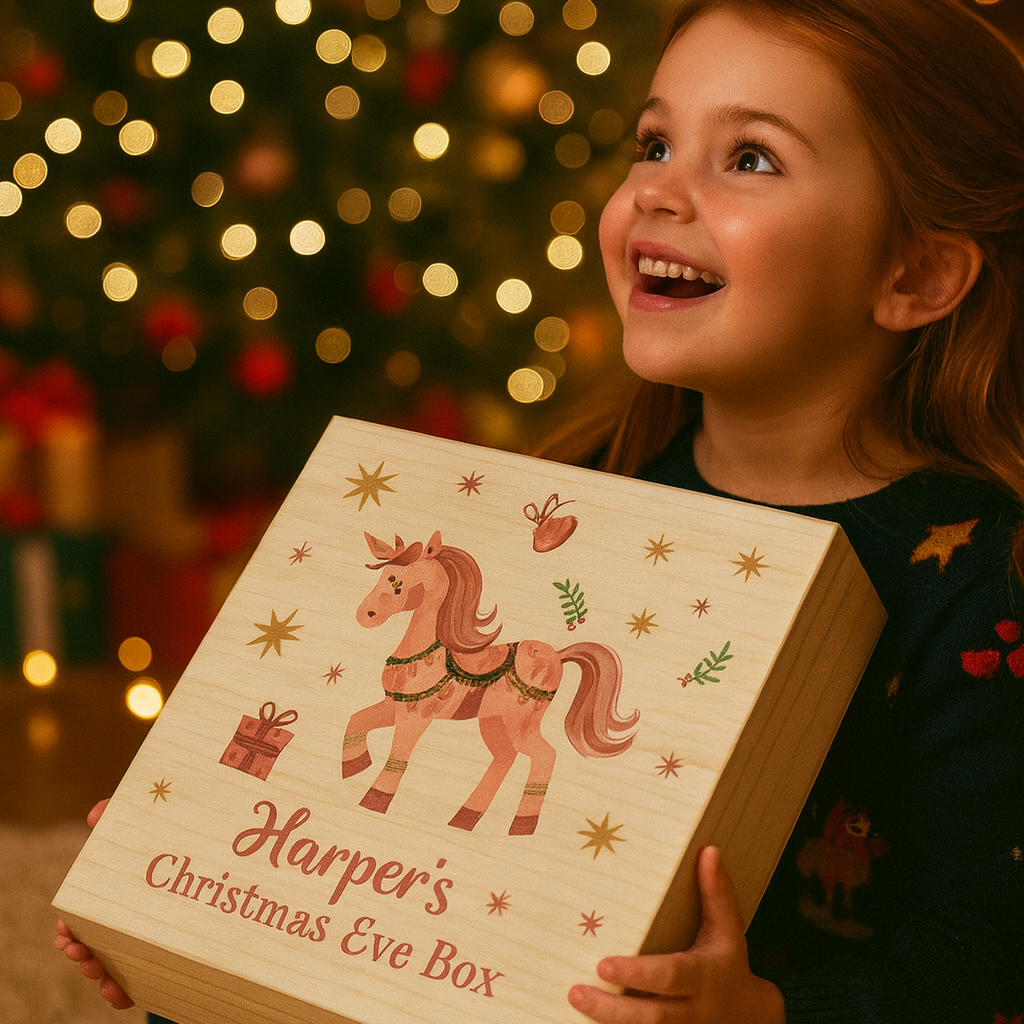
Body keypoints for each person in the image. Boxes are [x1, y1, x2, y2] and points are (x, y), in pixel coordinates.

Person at [57, 0, 1024, 1021]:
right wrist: (190, 878)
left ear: (913, 272)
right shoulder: (576, 496)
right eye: (654, 141)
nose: (657, 188)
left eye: (750, 159)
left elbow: (982, 951)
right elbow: (423, 845)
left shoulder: (978, 579)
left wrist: (763, 1012)